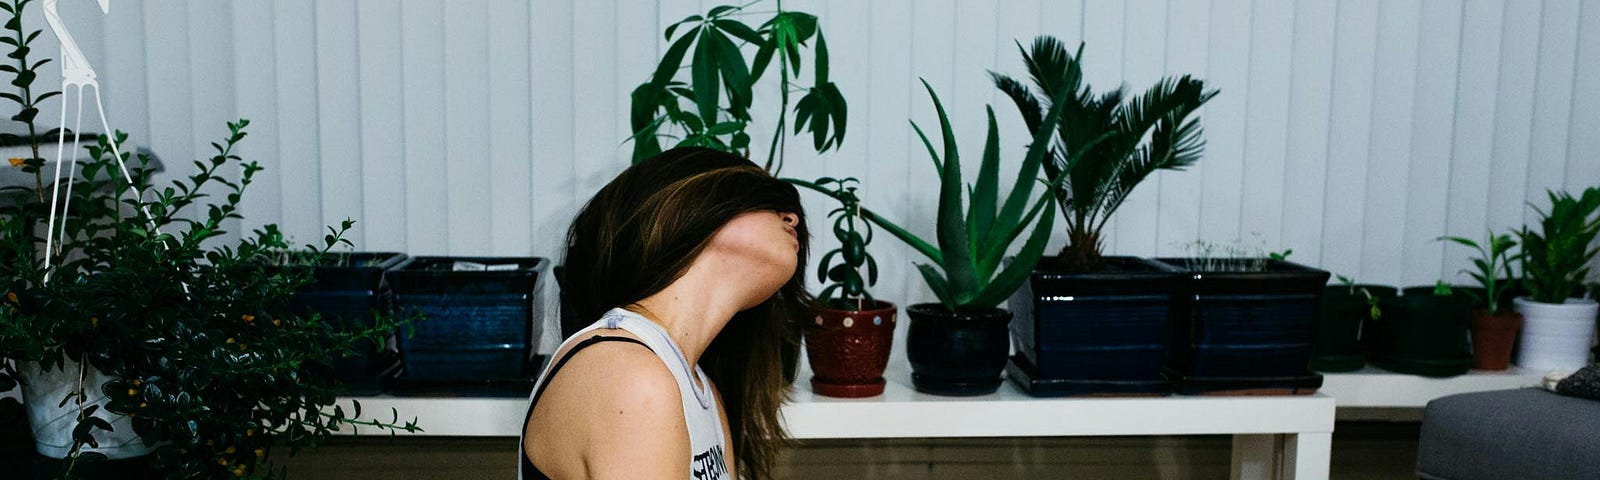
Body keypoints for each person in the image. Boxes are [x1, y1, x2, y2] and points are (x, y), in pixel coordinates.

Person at [520, 147, 811, 480]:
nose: (793, 218)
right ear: (684, 206)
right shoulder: (629, 374)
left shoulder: (701, 390)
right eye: (767, 201)